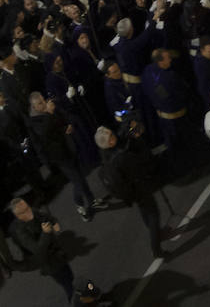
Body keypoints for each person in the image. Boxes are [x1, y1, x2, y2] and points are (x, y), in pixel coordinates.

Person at [95, 123, 165, 259]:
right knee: (153, 215)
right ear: (109, 142)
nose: (114, 135)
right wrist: (138, 140)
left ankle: (153, 231)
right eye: (111, 135)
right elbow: (143, 161)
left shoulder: (105, 155)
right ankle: (156, 247)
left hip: (131, 192)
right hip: (139, 188)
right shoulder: (121, 158)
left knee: (144, 210)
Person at [26, 92, 98, 221]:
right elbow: (44, 133)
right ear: (34, 107)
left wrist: (68, 126)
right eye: (40, 103)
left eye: (43, 100)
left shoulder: (50, 110)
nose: (43, 104)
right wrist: (48, 113)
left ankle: (92, 200)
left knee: (81, 176)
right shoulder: (34, 121)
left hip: (69, 147)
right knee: (77, 181)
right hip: (59, 156)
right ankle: (80, 205)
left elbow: (62, 119)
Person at [7, 196, 75, 300]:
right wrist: (45, 233)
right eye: (24, 211)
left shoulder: (33, 212)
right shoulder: (21, 231)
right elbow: (37, 250)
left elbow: (47, 217)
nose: (29, 212)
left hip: (58, 254)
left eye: (27, 207)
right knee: (68, 285)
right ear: (17, 215)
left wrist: (54, 222)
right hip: (48, 262)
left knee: (71, 278)